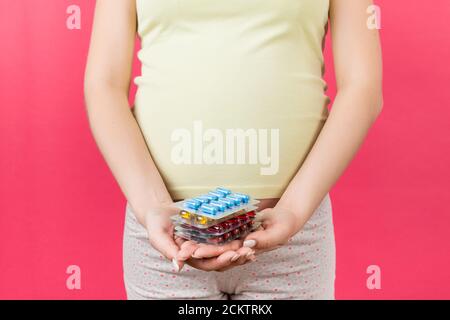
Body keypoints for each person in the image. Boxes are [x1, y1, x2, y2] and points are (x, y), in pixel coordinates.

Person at [84, 0, 383, 299]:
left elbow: (362, 86)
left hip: (293, 234)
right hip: (166, 236)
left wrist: (294, 210)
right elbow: (103, 85)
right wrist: (151, 207)